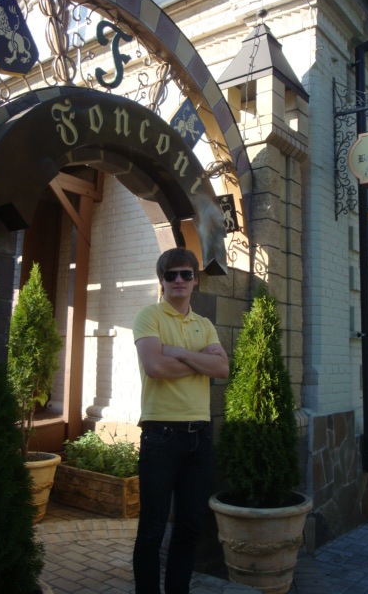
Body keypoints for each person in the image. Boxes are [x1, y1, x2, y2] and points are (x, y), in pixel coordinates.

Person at [132, 246, 229, 594]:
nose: (178, 280)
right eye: (171, 274)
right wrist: (200, 360)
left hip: (199, 436)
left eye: (186, 274)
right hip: (160, 434)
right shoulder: (149, 317)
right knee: (152, 529)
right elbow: (155, 367)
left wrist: (178, 353)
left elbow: (222, 368)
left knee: (190, 527)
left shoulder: (204, 324)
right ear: (161, 280)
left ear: (194, 280)